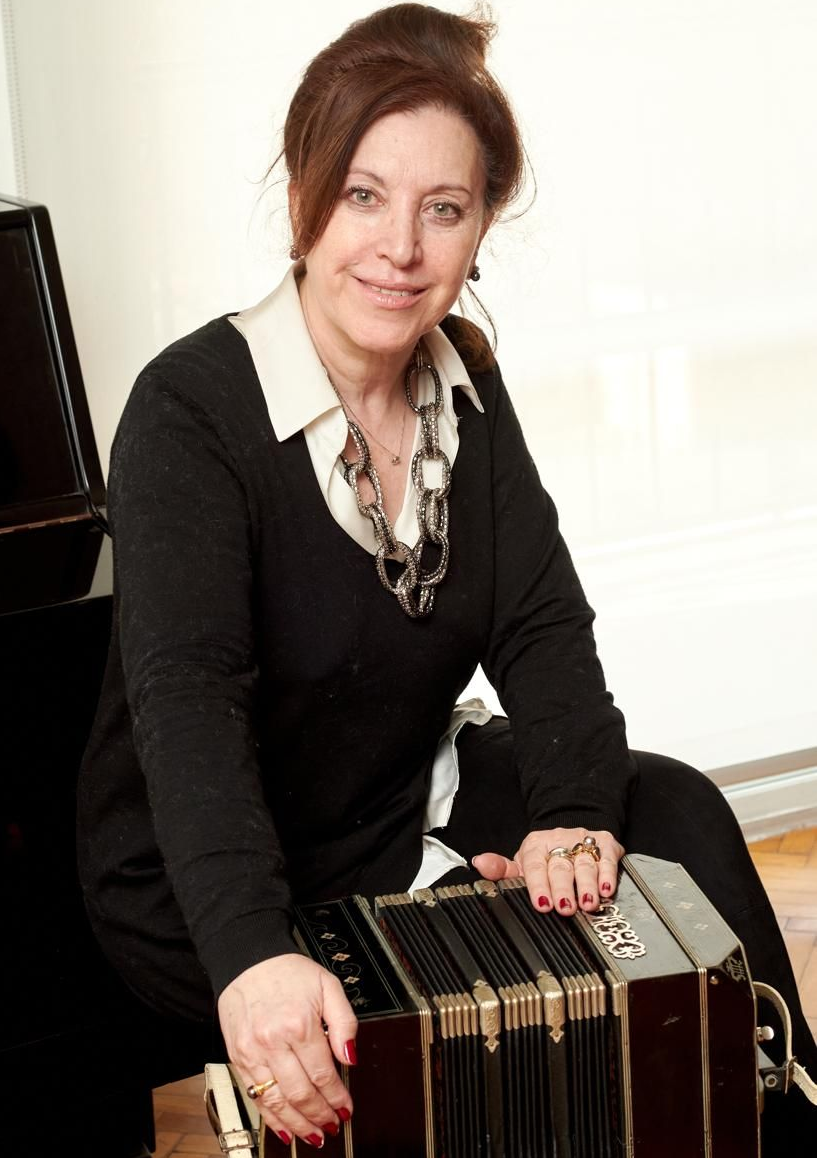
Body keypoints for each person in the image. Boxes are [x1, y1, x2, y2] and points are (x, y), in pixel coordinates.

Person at [77, 3, 816, 1152]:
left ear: (481, 230)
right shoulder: (190, 413)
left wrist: (571, 815)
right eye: (365, 196)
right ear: (305, 197)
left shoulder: (460, 376)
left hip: (390, 799)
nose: (400, 249)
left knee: (675, 809)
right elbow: (190, 716)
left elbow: (542, 620)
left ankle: (786, 1116)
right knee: (423, 1039)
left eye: (445, 209)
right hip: (210, 870)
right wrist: (255, 956)